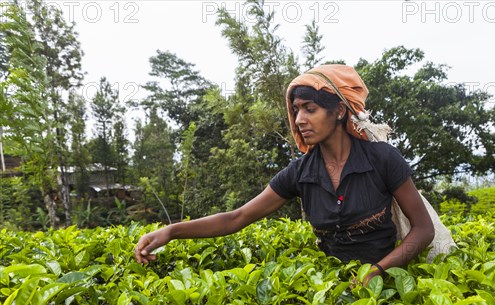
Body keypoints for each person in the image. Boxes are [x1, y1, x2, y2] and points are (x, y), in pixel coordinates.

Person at [134, 64, 435, 283]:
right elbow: (236, 218)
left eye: (310, 109)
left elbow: (423, 230)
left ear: (340, 111)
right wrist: (172, 231)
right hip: (327, 288)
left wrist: (377, 272)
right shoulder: (300, 173)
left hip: (385, 290)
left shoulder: (381, 159)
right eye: (296, 110)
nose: (300, 119)